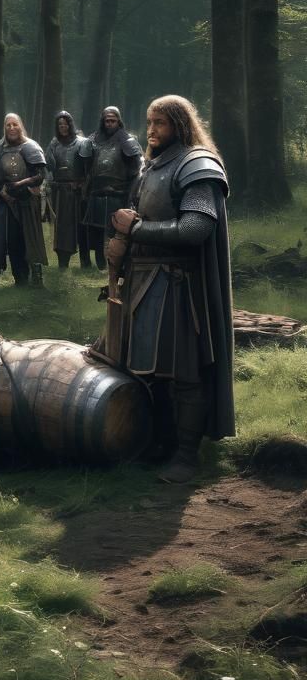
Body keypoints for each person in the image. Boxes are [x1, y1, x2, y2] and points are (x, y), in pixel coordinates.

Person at [107, 94, 235, 484]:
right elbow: (137, 215)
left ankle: (185, 455)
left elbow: (196, 228)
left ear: (179, 124)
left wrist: (137, 230)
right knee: (148, 370)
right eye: (149, 122)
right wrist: (120, 245)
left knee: (185, 372)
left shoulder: (196, 164)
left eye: (159, 123)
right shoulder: (151, 166)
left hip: (180, 286)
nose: (151, 131)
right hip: (144, 283)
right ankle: (158, 443)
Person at [0, 113, 48, 289]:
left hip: (27, 203)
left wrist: (22, 183)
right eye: (8, 125)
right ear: (4, 128)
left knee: (29, 240)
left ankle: (34, 282)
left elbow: (41, 174)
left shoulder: (31, 147)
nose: (12, 128)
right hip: (4, 203)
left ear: (20, 126)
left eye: (15, 125)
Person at [83, 106, 142, 269]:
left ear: (118, 121)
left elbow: (136, 170)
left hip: (119, 194)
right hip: (97, 192)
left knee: (118, 230)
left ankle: (117, 262)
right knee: (95, 230)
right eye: (106, 121)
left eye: (113, 121)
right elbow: (86, 167)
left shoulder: (128, 141)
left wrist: (130, 193)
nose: (109, 124)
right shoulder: (93, 140)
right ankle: (100, 264)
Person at [44, 110, 92, 269]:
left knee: (81, 226)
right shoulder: (54, 144)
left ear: (70, 125)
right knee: (62, 229)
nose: (63, 127)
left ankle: (85, 261)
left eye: (65, 124)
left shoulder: (82, 142)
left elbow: (88, 168)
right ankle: (62, 263)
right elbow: (49, 168)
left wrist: (82, 185)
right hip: (60, 193)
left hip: (78, 193)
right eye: (60, 125)